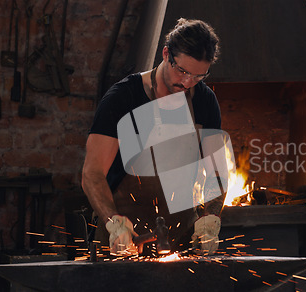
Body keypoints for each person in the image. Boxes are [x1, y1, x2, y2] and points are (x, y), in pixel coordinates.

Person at [81, 18, 225, 256]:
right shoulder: (122, 98)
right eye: (182, 71)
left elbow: (216, 173)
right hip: (123, 239)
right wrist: (113, 223)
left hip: (181, 239)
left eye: (199, 76)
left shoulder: (204, 101)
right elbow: (92, 174)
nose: (188, 82)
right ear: (166, 54)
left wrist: (210, 219)